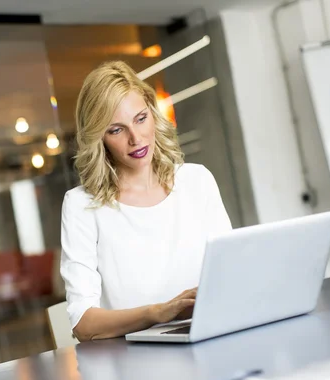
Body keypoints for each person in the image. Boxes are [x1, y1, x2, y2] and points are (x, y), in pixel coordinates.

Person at [61, 61, 232, 342]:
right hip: (137, 360)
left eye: (140, 119)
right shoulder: (82, 206)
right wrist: (158, 312)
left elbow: (232, 272)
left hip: (212, 336)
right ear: (99, 138)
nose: (135, 139)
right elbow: (83, 323)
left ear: (153, 113)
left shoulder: (196, 181)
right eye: (116, 130)